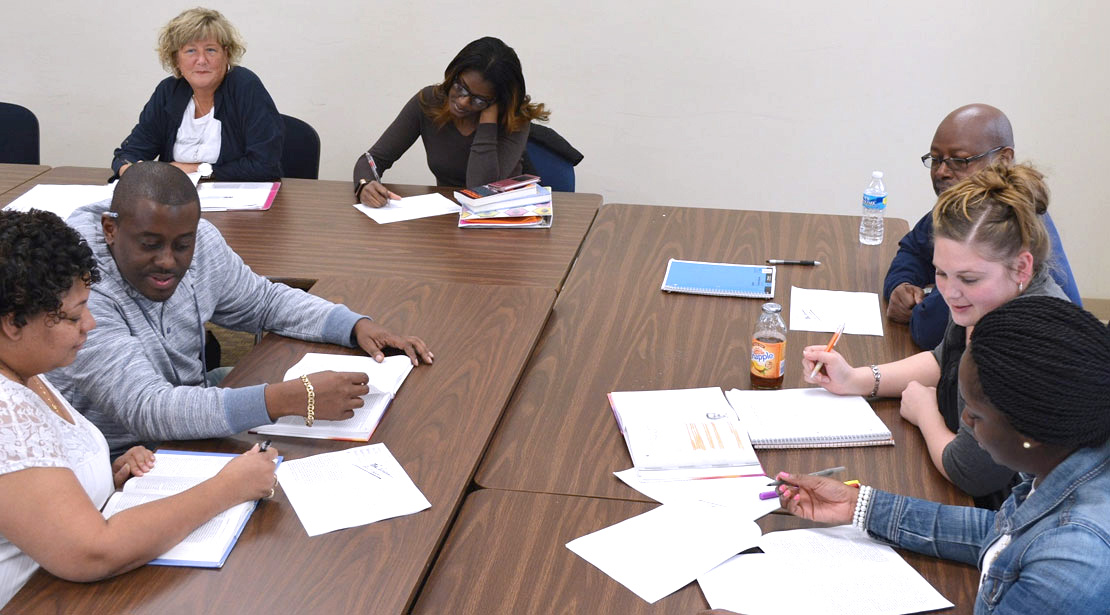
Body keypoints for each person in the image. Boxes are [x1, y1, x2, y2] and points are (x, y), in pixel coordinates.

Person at [50, 162, 434, 458]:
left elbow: (263, 301)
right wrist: (286, 399)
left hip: (191, 411)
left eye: (182, 244)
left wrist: (354, 326)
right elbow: (147, 407)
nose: (168, 261)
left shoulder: (201, 241)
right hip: (118, 452)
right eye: (150, 244)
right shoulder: (77, 286)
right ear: (110, 230)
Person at [0, 209, 277, 608]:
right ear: (13, 323)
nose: (90, 324)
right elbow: (93, 551)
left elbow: (29, 494)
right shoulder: (7, 410)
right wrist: (229, 487)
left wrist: (106, 478)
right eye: (74, 315)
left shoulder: (26, 371)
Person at [774, 297, 1110, 614]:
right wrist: (860, 506)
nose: (964, 421)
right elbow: (1004, 533)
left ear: (1029, 434)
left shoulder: (1072, 561)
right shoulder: (1068, 455)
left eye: (975, 415)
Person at [804, 161, 1068, 507]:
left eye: (968, 279)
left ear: (1022, 266)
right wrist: (857, 379)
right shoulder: (990, 298)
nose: (949, 292)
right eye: (941, 273)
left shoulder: (1021, 343)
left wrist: (924, 412)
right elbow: (945, 358)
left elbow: (972, 473)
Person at [883, 104, 1081, 349]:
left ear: (1004, 159)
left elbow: (930, 330)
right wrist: (901, 285)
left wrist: (917, 311)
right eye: (936, 160)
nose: (942, 172)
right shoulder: (965, 207)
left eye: (959, 160)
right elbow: (914, 248)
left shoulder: (1002, 223)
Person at [353, 36, 549, 206]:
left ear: (498, 101)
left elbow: (481, 191)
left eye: (478, 99)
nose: (463, 102)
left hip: (503, 226)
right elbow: (373, 160)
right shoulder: (429, 102)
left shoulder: (514, 121)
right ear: (454, 73)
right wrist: (364, 185)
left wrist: (488, 121)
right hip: (444, 222)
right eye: (461, 87)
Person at [110, 7, 284, 182]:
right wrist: (132, 171)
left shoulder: (245, 86)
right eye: (191, 51)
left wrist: (198, 170)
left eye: (210, 50)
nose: (201, 60)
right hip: (175, 201)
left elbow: (265, 165)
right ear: (176, 58)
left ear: (226, 53)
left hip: (235, 201)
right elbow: (128, 154)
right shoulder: (169, 92)